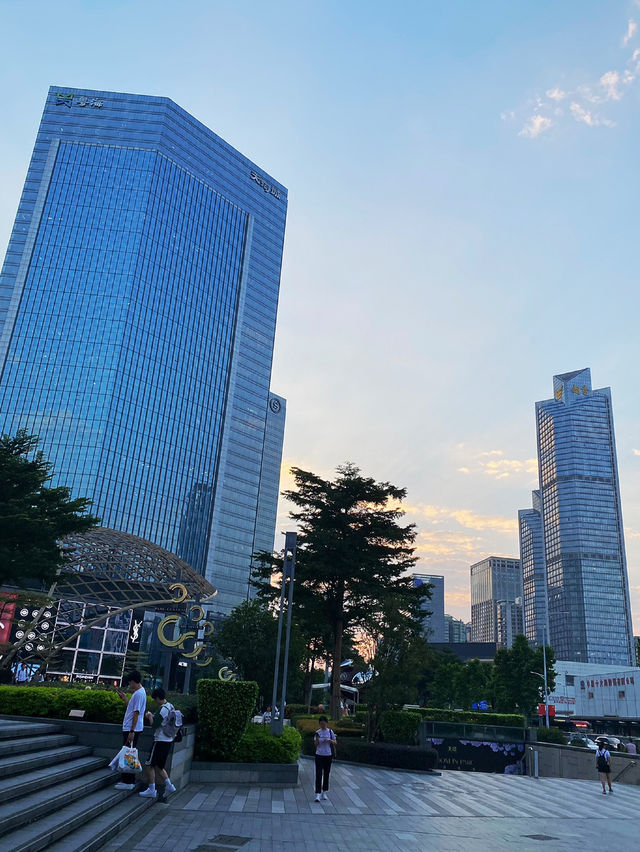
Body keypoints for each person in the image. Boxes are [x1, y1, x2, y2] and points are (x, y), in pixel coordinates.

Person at [138, 687, 178, 799]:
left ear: (158, 698)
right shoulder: (170, 706)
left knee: (149, 765)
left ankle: (151, 789)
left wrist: (150, 716)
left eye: (155, 699)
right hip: (168, 740)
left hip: (160, 740)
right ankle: (169, 785)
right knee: (159, 766)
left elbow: (154, 725)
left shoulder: (162, 709)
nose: (155, 701)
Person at [114, 671, 147, 791]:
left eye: (130, 682)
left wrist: (132, 731)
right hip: (131, 728)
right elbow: (133, 709)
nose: (129, 684)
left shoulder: (138, 694)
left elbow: (136, 713)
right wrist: (125, 699)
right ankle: (127, 780)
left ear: (133, 681)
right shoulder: (140, 693)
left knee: (129, 755)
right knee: (128, 754)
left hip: (131, 729)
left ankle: (128, 781)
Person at [314, 716, 337, 802]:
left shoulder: (330, 732)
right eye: (321, 724)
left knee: (326, 773)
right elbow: (315, 745)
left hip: (328, 755)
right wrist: (318, 739)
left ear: (327, 723)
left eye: (324, 724)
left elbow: (335, 742)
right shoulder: (317, 732)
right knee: (318, 774)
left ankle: (324, 791)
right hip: (319, 754)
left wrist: (329, 740)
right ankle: (318, 793)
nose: (322, 725)